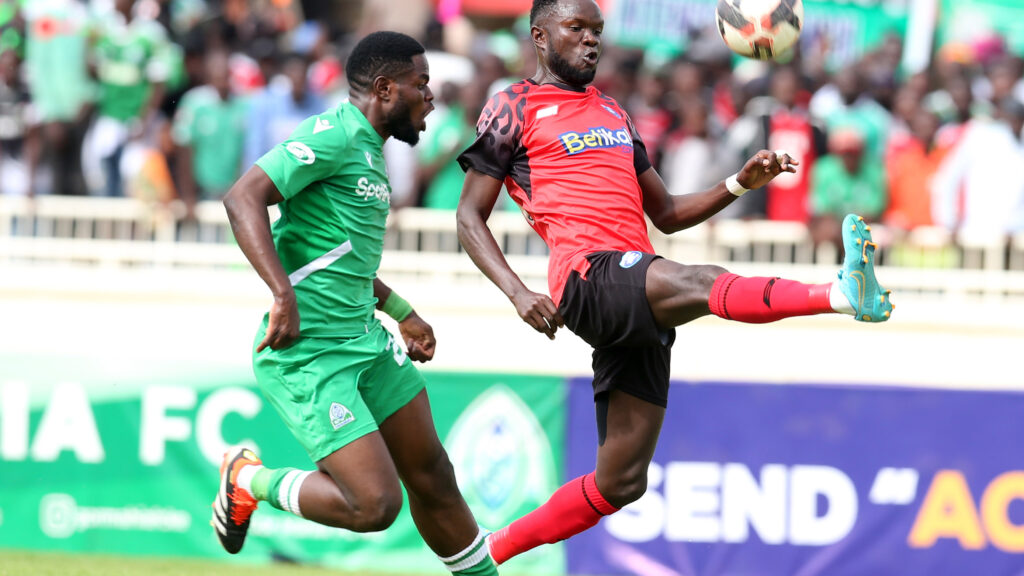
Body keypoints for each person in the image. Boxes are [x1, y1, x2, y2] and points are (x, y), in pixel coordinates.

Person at [454, 0, 894, 566]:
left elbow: (665, 212)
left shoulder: (614, 112)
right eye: (576, 29)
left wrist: (737, 183)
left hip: (633, 283)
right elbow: (469, 217)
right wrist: (518, 293)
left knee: (621, 482)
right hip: (587, 277)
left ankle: (490, 552)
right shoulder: (513, 106)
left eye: (597, 31)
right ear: (539, 36)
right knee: (701, 281)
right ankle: (838, 295)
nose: (591, 40)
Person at [216, 31, 498, 576]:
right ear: (387, 89)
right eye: (422, 85)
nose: (431, 98)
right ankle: (245, 478)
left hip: (365, 341)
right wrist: (281, 292)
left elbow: (345, 260)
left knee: (433, 473)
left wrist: (402, 311)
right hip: (308, 351)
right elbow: (242, 198)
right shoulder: (333, 135)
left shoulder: (370, 151)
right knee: (375, 506)